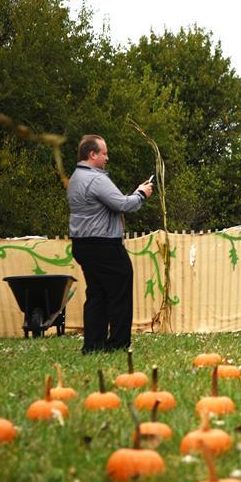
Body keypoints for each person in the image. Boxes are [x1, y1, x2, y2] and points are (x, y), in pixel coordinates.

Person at [67, 135, 153, 353]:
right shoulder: (96, 179)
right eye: (104, 153)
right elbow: (122, 204)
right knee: (119, 293)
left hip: (82, 244)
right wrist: (141, 194)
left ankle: (93, 345)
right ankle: (117, 343)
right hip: (104, 245)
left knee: (97, 294)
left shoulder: (75, 178)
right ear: (92, 154)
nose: (107, 157)